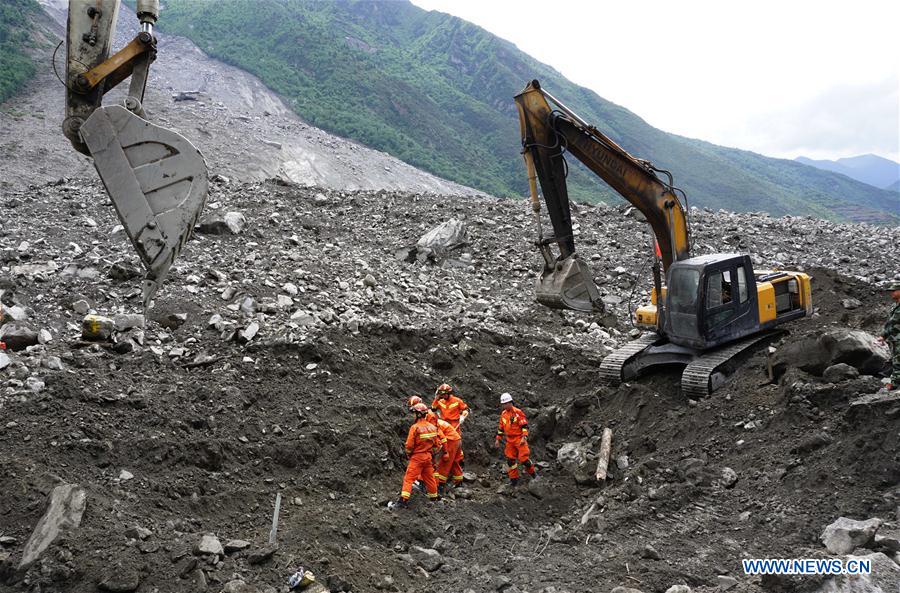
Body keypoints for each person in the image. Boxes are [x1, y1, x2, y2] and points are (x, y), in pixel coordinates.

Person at [389, 403, 441, 509]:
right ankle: (434, 499)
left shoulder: (415, 428)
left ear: (418, 414)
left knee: (408, 479)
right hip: (428, 457)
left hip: (417, 457)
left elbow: (409, 445)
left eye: (414, 413)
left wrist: (409, 454)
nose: (413, 415)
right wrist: (431, 454)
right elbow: (437, 445)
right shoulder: (432, 427)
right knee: (430, 478)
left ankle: (402, 502)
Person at [494, 392, 537, 486]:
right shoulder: (503, 414)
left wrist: (524, 437)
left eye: (506, 403)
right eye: (503, 404)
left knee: (524, 460)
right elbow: (501, 428)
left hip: (519, 439)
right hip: (509, 440)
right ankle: (514, 481)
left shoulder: (518, 412)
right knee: (510, 461)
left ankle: (534, 475)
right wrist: (498, 439)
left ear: (511, 402)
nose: (504, 406)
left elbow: (524, 426)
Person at [877, 281, 900, 390]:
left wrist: (883, 335)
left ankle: (895, 384)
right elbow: (890, 323)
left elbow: (893, 322)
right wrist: (884, 336)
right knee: (895, 360)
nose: (891, 293)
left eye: (894, 291)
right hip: (895, 338)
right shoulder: (895, 305)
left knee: (897, 362)